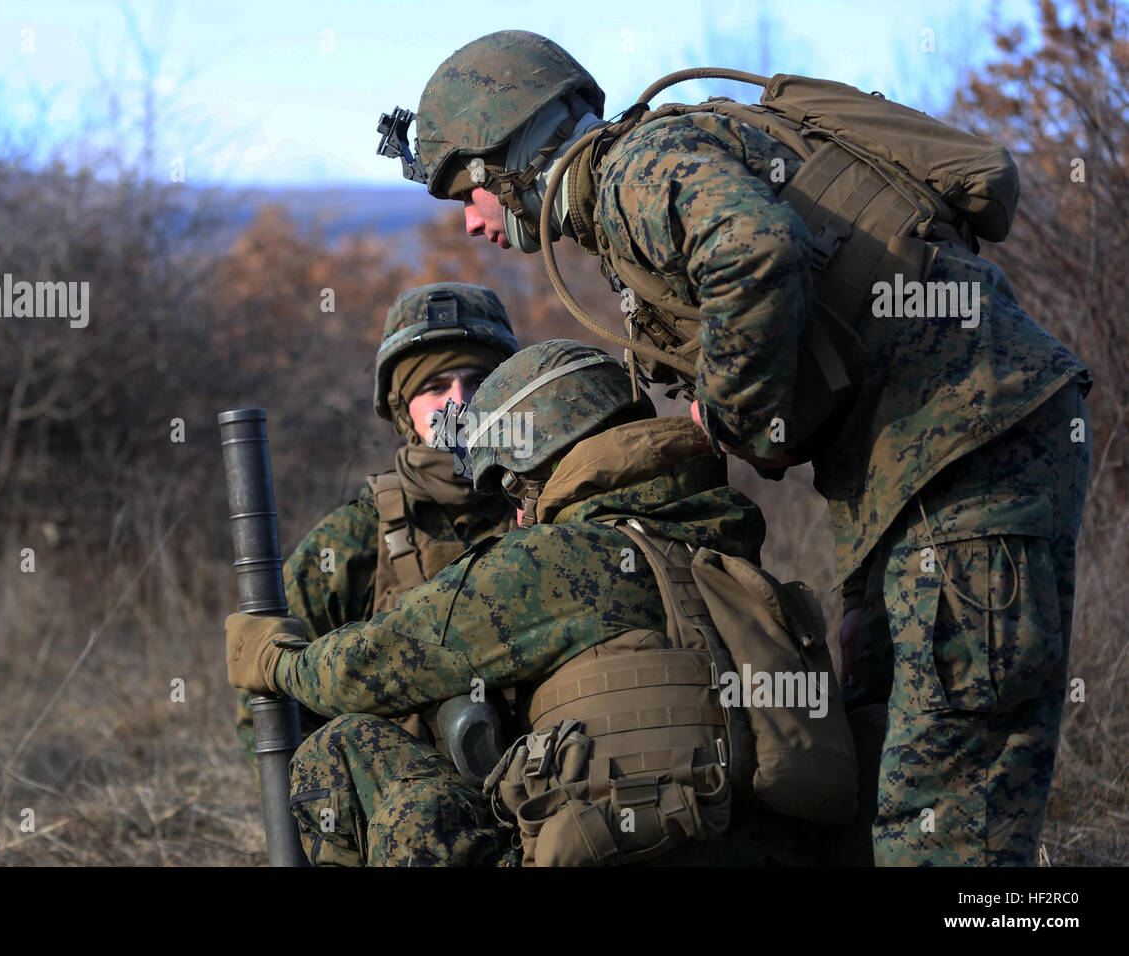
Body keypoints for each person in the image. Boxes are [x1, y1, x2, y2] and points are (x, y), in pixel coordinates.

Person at [380, 31, 1093, 866]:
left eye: (466, 190)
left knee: (951, 795)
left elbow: (754, 248)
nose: (469, 220)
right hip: (916, 465)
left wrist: (727, 416)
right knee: (883, 756)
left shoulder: (630, 171)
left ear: (509, 154)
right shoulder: (644, 171)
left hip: (969, 445)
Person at [227, 339, 828, 867]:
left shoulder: (554, 560)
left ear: (542, 463)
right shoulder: (722, 541)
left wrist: (276, 659)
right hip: (771, 848)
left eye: (514, 486)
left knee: (345, 743)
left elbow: (364, 669)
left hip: (620, 850)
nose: (516, 513)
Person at [234, 282, 520, 768]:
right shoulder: (351, 539)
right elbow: (266, 711)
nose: (460, 401)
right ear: (400, 407)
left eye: (477, 381)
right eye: (435, 387)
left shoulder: (546, 506)